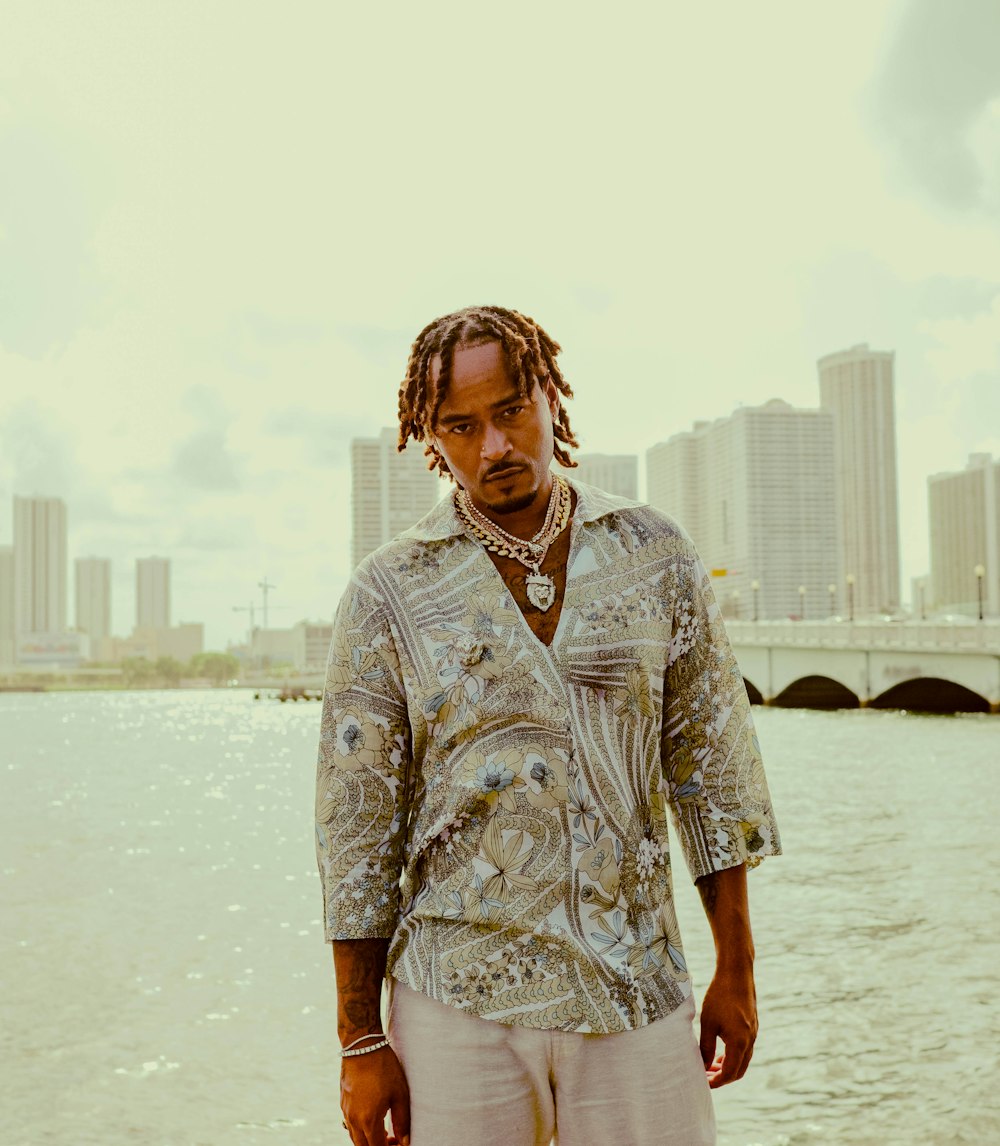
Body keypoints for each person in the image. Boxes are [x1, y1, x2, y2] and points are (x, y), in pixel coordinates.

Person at [316, 305, 780, 1146]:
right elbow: (357, 832)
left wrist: (737, 973)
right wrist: (360, 1036)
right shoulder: (387, 593)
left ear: (549, 399)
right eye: (462, 425)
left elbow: (713, 775)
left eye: (510, 410)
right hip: (455, 1002)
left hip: (636, 987)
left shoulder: (657, 556)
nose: (494, 445)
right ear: (431, 437)